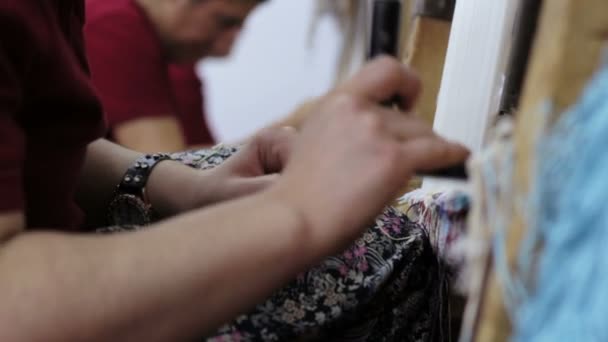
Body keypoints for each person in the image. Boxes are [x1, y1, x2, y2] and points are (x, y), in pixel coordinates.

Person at [0, 1, 468, 340]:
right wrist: (296, 212)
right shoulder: (115, 26)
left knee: (388, 247)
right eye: (228, 22)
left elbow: (49, 148)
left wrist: (188, 188)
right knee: (374, 263)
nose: (228, 47)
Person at [84, 0, 265, 152]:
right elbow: (162, 170)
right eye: (224, 22)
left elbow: (194, 164)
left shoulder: (179, 70)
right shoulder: (116, 26)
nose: (225, 50)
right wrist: (285, 131)